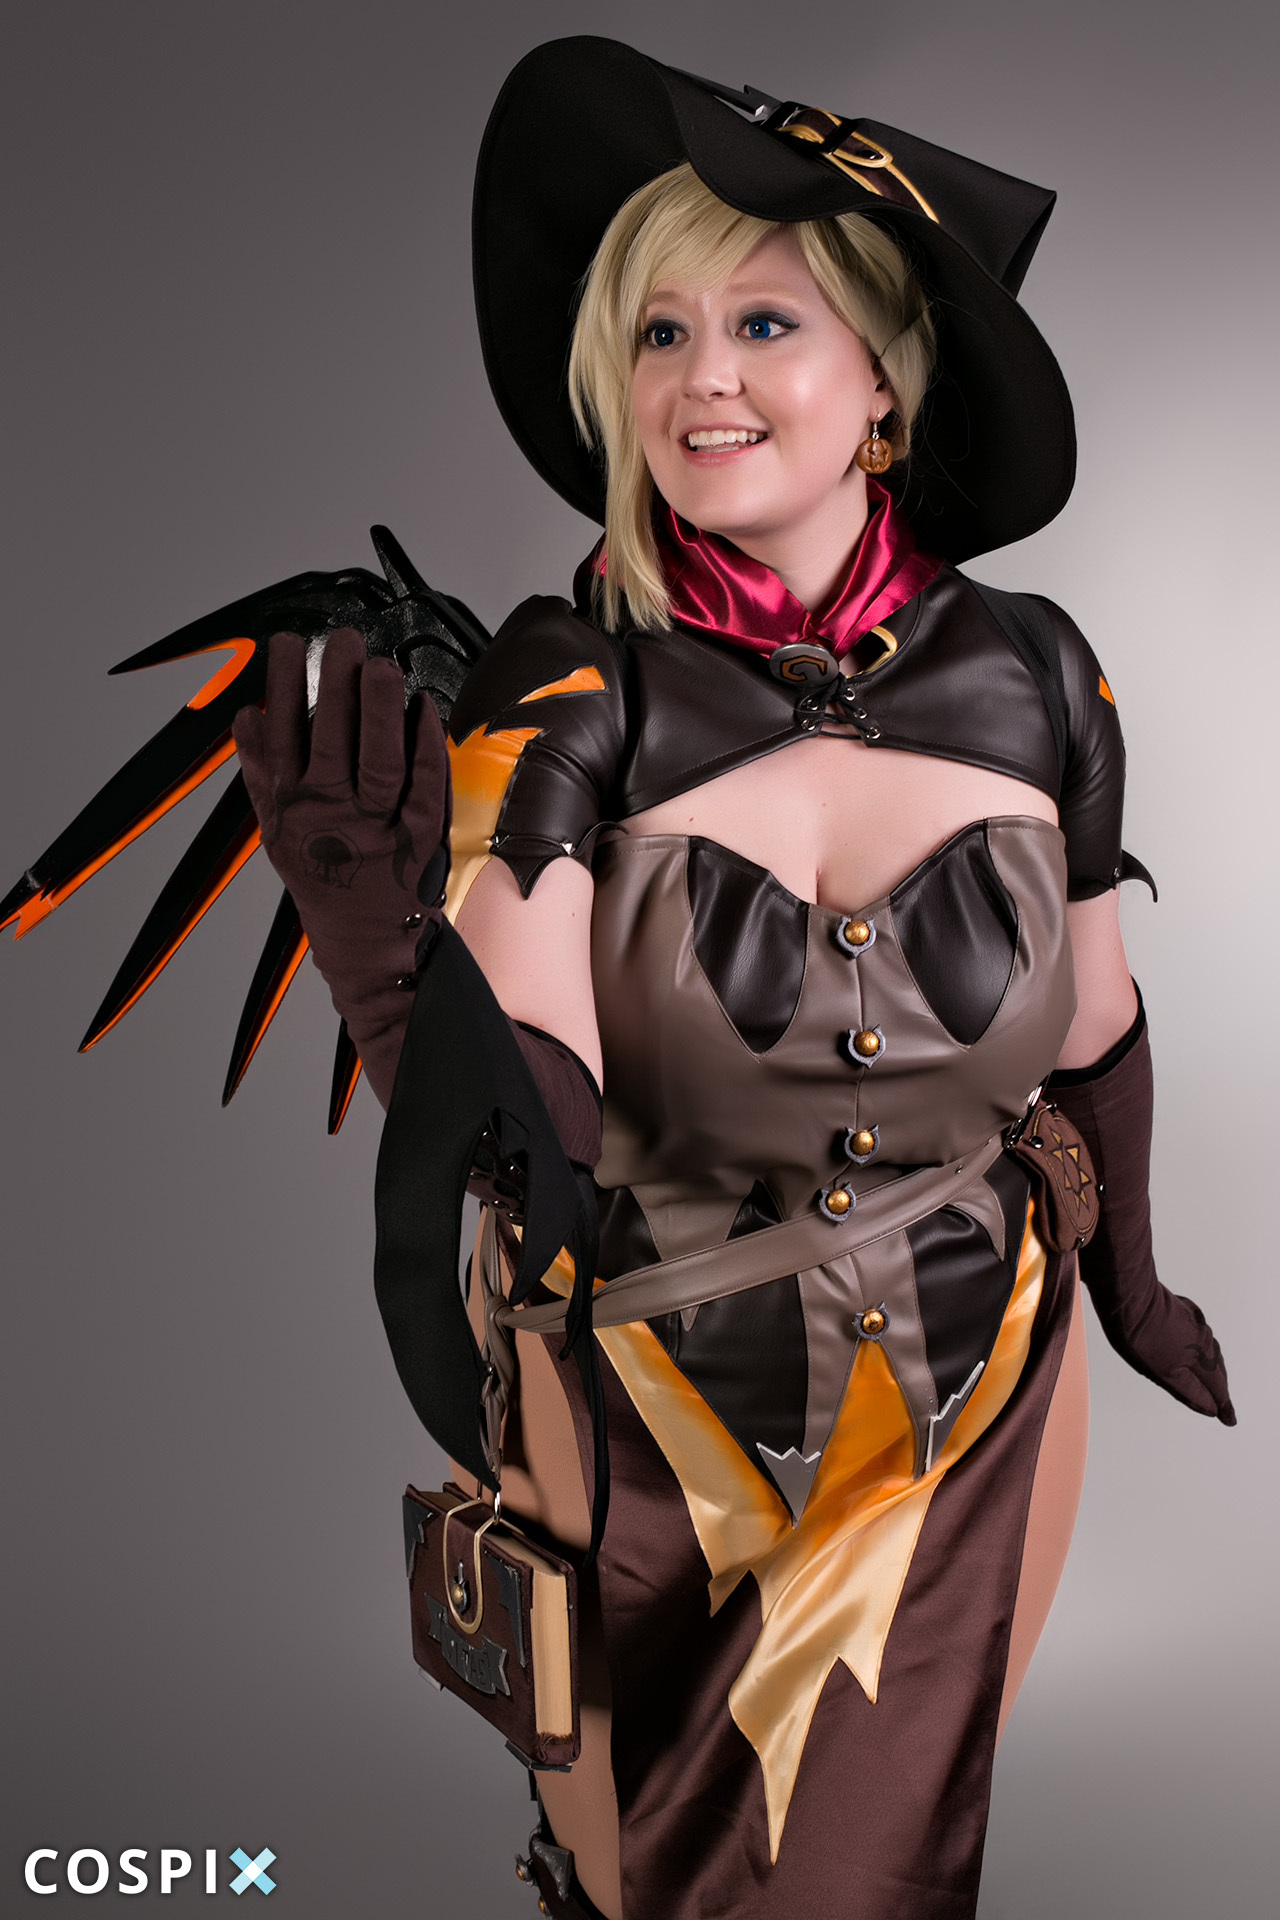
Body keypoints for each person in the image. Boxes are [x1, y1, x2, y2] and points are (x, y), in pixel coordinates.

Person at [232, 38, 1234, 1920]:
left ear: (886, 381)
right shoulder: (573, 679)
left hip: (973, 1402)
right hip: (656, 1416)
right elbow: (532, 1086)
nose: (703, 379)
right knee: (653, 1883)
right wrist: (400, 992)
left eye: (764, 323)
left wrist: (1138, 1284)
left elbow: (1094, 1020)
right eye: (661, 332)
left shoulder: (1043, 674)